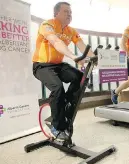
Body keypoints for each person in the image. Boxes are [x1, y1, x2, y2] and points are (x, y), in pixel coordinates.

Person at [32, 2, 95, 141]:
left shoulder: (71, 30)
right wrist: (73, 57)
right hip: (41, 66)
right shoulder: (47, 25)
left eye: (70, 12)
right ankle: (56, 127)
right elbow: (55, 41)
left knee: (80, 77)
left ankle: (65, 103)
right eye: (66, 11)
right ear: (56, 13)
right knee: (58, 88)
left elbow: (82, 45)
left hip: (58, 65)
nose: (69, 14)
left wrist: (94, 57)